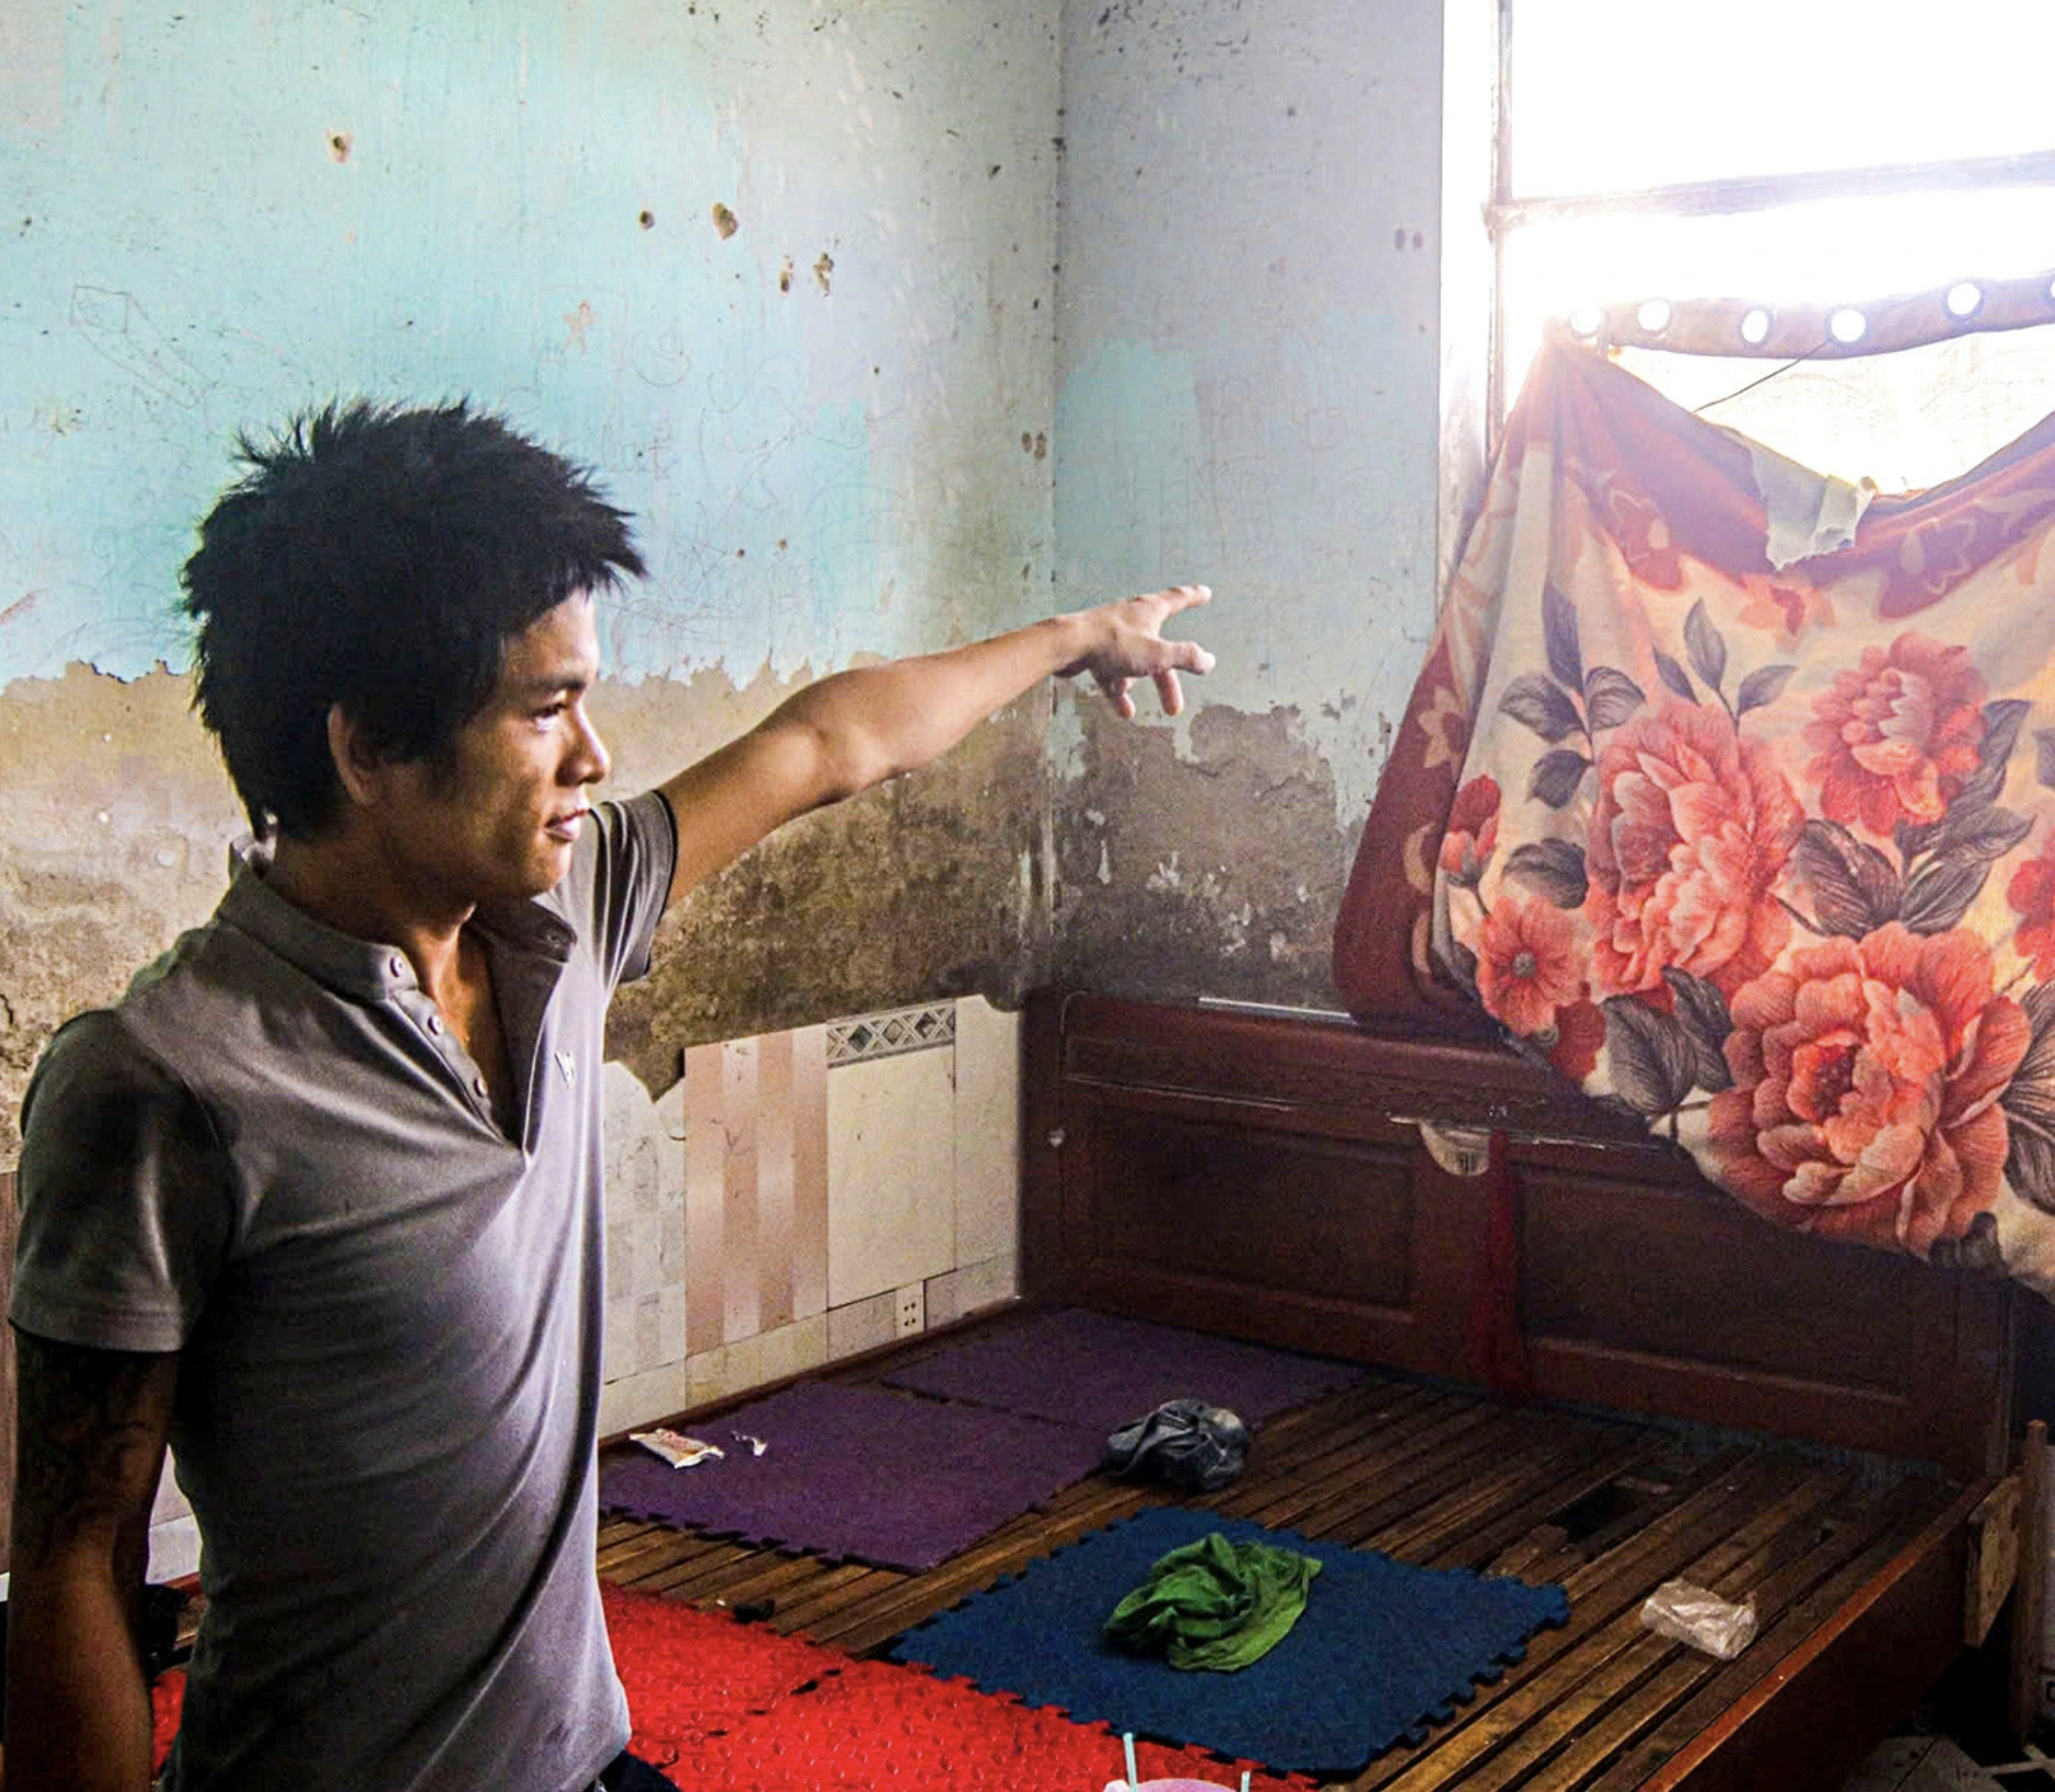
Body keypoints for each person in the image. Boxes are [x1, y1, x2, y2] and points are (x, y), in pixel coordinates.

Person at [4, 401, 1214, 1792]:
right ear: (366, 751)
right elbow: (73, 1565)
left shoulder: (565, 914)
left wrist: (1076, 638)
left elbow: (830, 743)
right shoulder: (165, 1083)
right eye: (544, 706)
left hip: (586, 1765)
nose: (593, 753)